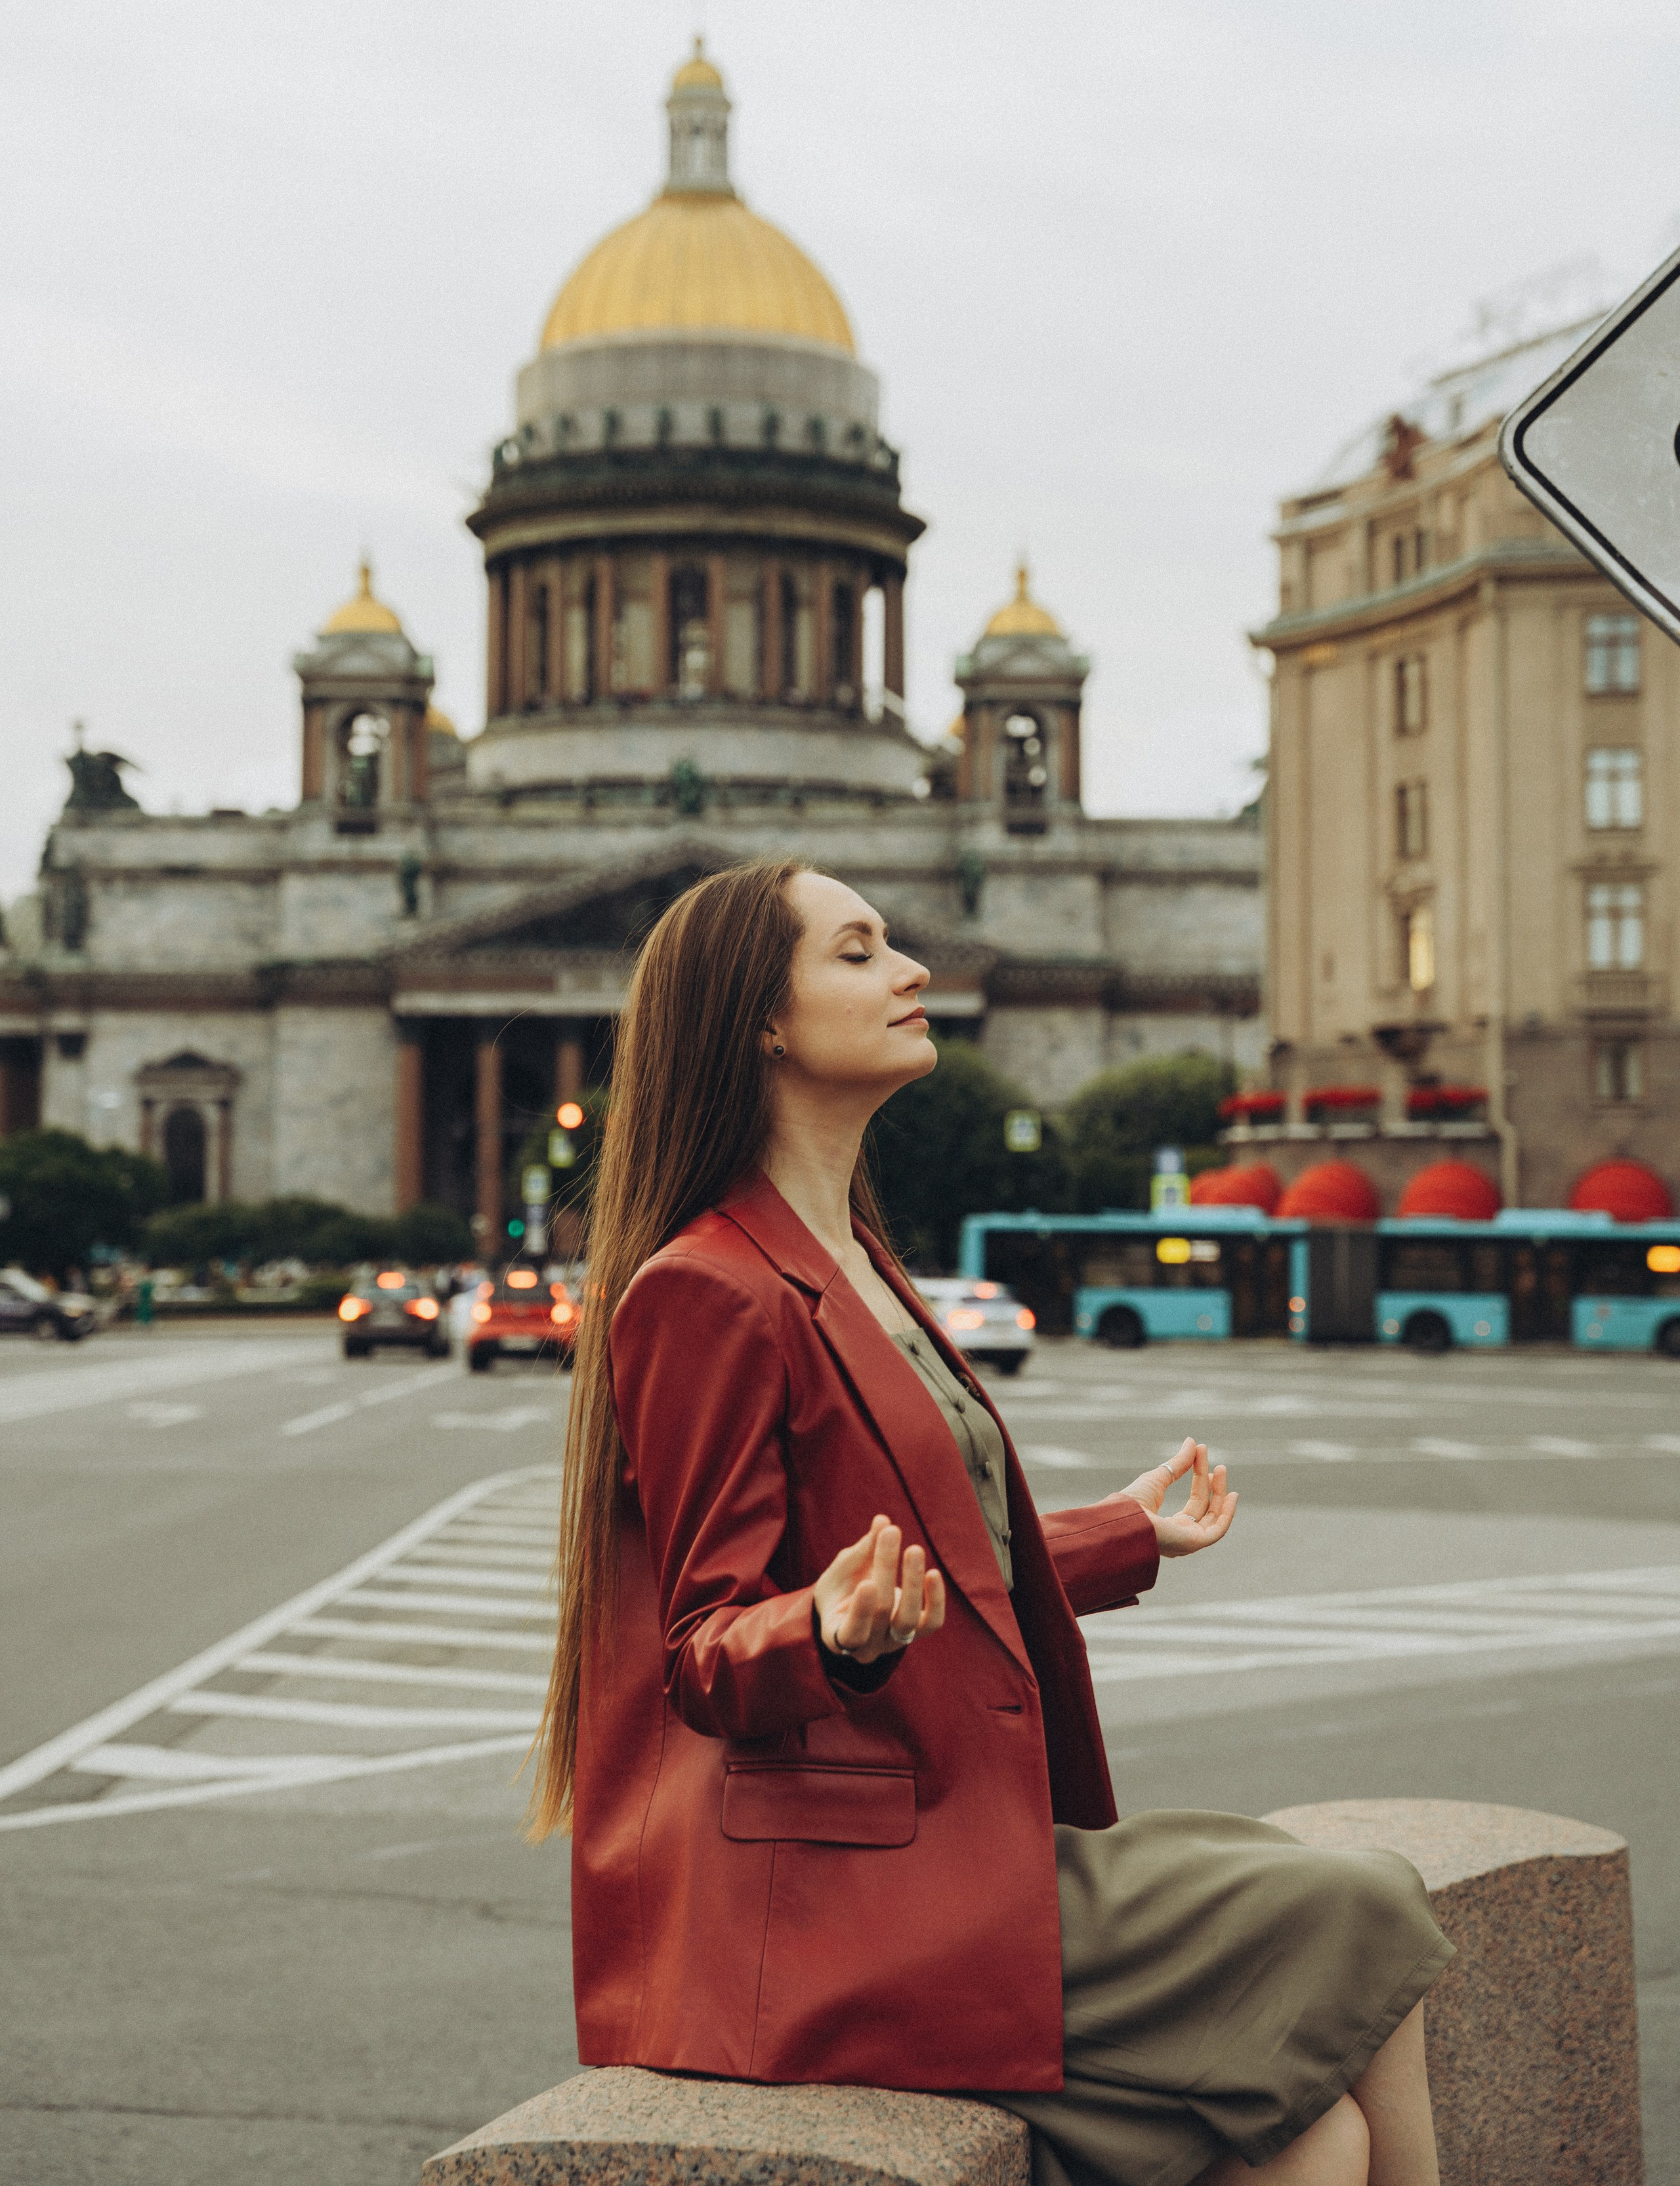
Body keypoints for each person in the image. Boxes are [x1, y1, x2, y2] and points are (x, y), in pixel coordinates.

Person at [530, 861, 1451, 2186]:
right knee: (1361, 1902)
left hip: (931, 1847)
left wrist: (1120, 1534)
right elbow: (702, 1653)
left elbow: (930, 1555)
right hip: (836, 1903)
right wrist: (829, 1638)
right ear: (762, 1023)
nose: (910, 970)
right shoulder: (709, 1288)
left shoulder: (850, 1252)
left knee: (1310, 2137)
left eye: (893, 943)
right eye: (856, 953)